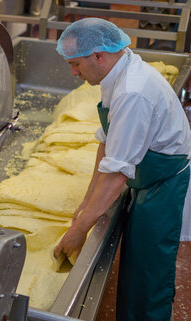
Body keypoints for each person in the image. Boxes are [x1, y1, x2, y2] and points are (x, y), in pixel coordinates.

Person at [52, 18, 191, 320]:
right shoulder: (114, 73)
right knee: (135, 263)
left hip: (164, 185)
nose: (73, 73)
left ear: (98, 56)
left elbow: (116, 176)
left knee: (150, 271)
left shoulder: (132, 92)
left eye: (75, 64)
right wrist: (86, 204)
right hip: (147, 179)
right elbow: (107, 144)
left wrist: (78, 231)